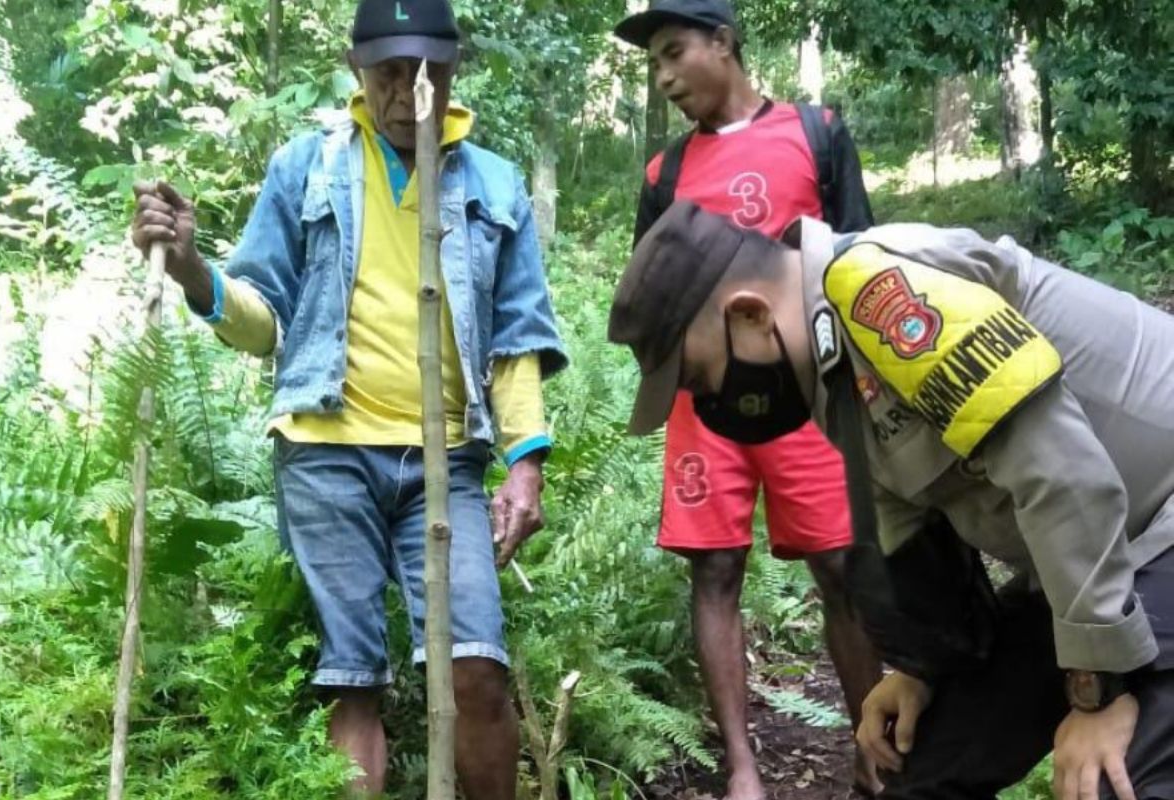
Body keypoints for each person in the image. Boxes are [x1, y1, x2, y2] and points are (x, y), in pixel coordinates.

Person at [130, 0, 566, 796]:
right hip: (325, 451)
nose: (409, 92)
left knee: (474, 670)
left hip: (449, 461)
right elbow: (265, 324)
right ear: (357, 68)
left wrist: (526, 464)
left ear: (455, 65)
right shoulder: (310, 167)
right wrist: (195, 270)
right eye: (389, 72)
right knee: (351, 675)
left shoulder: (493, 183)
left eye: (426, 70)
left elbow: (516, 338)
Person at [609, 200, 1174, 800]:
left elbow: (1064, 479)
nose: (709, 403)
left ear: (748, 314)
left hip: (1153, 523)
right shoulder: (831, 369)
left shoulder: (883, 292)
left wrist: (1097, 694)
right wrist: (922, 672)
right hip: (1102, 558)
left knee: (1111, 781)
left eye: (700, 379)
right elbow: (911, 530)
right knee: (918, 768)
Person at [613, 1, 881, 797]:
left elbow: (857, 257)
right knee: (716, 572)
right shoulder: (665, 173)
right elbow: (651, 296)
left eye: (672, 54)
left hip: (809, 394)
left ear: (723, 44)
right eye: (653, 64)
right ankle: (741, 767)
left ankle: (873, 749)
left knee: (842, 567)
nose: (662, 78)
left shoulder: (816, 132)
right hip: (703, 407)